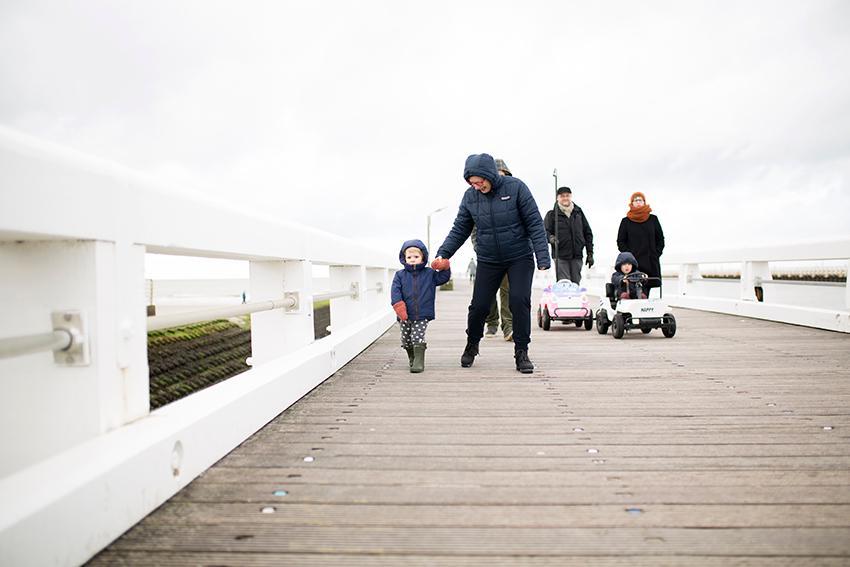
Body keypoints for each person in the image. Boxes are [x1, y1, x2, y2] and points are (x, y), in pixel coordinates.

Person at [434, 153, 550, 374]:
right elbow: (460, 228)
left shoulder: (516, 188)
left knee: (518, 301)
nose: (477, 187)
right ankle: (472, 344)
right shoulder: (470, 197)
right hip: (489, 259)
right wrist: (444, 254)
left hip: (519, 257)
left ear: (489, 175)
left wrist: (542, 256)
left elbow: (534, 222)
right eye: (472, 183)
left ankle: (521, 351)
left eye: (479, 182)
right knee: (479, 306)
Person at [391, 239, 451, 373]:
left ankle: (418, 362)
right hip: (404, 314)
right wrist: (398, 306)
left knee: (417, 337)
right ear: (404, 258)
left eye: (416, 257)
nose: (412, 259)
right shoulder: (399, 275)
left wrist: (445, 266)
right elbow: (395, 292)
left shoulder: (429, 273)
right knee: (406, 339)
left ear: (423, 257)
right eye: (409, 257)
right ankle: (412, 357)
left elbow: (443, 278)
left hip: (422, 313)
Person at [479, 158, 513, 341]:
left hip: (509, 253)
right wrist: (479, 247)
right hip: (487, 253)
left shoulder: (514, 195)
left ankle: (508, 327)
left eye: (504, 175)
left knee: (507, 291)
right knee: (488, 291)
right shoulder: (480, 197)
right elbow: (473, 227)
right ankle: (491, 323)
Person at [543, 186, 594, 285]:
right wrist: (551, 238)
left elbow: (588, 233)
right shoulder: (552, 214)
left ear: (571, 197)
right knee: (564, 284)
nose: (565, 198)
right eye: (562, 196)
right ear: (558, 198)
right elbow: (545, 231)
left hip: (577, 255)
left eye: (567, 196)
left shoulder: (578, 212)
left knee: (575, 284)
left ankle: (575, 301)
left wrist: (590, 253)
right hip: (560, 255)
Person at [617, 192, 664, 292]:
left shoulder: (653, 219)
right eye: (636, 200)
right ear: (632, 203)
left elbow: (660, 239)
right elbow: (621, 241)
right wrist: (629, 257)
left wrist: (656, 253)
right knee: (635, 290)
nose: (638, 202)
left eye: (640, 200)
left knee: (651, 289)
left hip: (651, 261)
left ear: (644, 202)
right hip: (634, 264)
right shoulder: (626, 221)